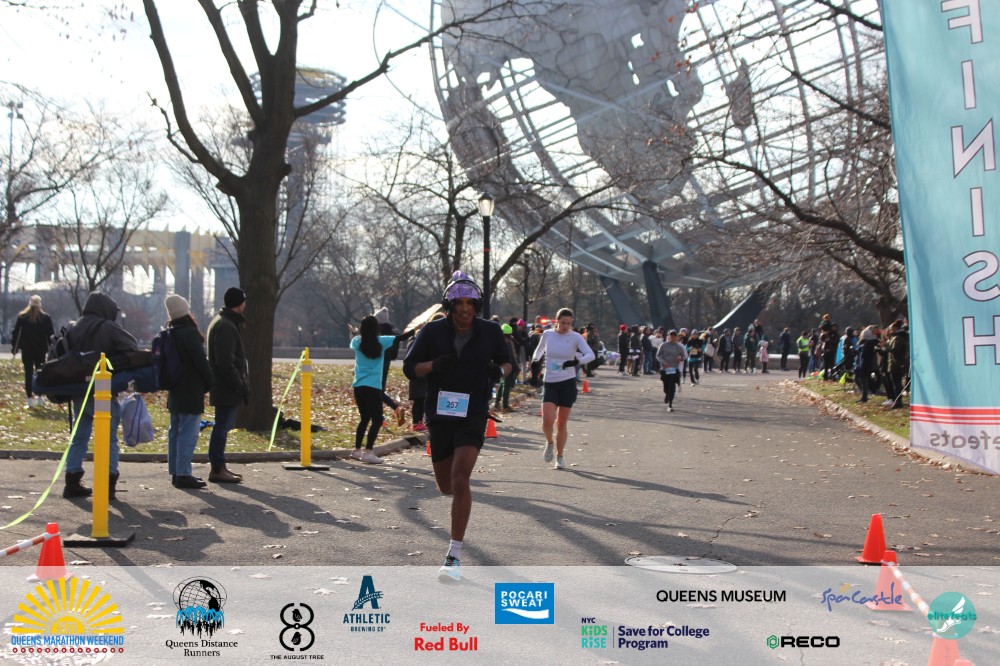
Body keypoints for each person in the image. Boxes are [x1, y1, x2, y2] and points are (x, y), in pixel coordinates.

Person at [402, 270, 511, 581]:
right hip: (440, 412)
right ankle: (456, 505)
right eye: (459, 304)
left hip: (473, 411)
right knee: (446, 485)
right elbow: (410, 368)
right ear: (449, 306)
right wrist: (434, 365)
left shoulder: (490, 331)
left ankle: (453, 556)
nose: (464, 309)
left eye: (470, 304)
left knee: (461, 478)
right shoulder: (432, 332)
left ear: (477, 306)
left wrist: (498, 372)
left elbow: (508, 363)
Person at [62, 291, 139, 500]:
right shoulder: (108, 327)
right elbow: (132, 347)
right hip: (103, 390)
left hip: (79, 390)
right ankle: (108, 483)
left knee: (79, 437)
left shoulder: (74, 326)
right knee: (108, 439)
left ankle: (72, 481)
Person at [531, 308, 595, 470]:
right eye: (563, 323)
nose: (566, 326)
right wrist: (535, 361)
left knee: (561, 423)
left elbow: (591, 355)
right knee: (547, 420)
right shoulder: (548, 334)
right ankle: (549, 442)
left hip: (567, 382)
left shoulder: (575, 337)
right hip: (550, 382)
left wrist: (576, 362)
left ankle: (560, 457)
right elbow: (539, 350)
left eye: (569, 323)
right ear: (557, 321)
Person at [163, 295, 214, 489]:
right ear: (185, 312)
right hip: (190, 389)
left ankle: (176, 471)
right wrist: (210, 383)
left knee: (175, 432)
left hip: (175, 389)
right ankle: (184, 473)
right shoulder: (189, 334)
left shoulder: (169, 333)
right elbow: (201, 362)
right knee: (188, 433)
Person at [206, 287, 249, 484]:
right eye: (243, 301)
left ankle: (220, 466)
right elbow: (225, 361)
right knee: (222, 426)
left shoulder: (224, 322)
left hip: (224, 385)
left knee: (224, 425)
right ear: (239, 304)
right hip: (226, 386)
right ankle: (217, 468)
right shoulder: (226, 326)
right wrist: (238, 384)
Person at [348, 315, 401, 463]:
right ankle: (369, 452)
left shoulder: (356, 341)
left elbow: (358, 338)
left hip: (358, 386)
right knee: (377, 419)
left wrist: (353, 332)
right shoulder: (382, 341)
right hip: (373, 386)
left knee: (364, 418)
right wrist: (415, 330)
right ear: (376, 328)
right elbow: (400, 338)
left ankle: (357, 450)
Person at [11, 294, 55, 408]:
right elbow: (50, 334)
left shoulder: (22, 317)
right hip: (40, 350)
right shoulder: (45, 318)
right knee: (39, 373)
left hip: (27, 350)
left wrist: (14, 348)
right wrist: (52, 348)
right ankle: (40, 397)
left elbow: (15, 333)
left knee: (28, 373)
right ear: (40, 305)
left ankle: (29, 399)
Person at [656, 330, 688, 411]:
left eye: (674, 336)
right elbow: (658, 356)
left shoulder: (679, 347)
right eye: (671, 336)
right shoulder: (664, 345)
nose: (673, 337)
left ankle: (670, 405)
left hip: (674, 369)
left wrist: (681, 358)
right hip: (665, 369)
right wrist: (663, 362)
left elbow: (685, 356)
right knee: (666, 387)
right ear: (669, 336)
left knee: (672, 387)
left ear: (677, 337)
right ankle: (667, 394)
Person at [493, 323, 520, 411]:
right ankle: (505, 406)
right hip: (509, 366)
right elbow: (512, 356)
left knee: (502, 384)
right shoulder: (509, 342)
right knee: (507, 386)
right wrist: (517, 367)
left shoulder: (499, 341)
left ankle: (497, 403)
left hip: (501, 366)